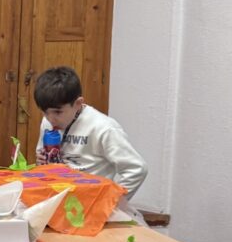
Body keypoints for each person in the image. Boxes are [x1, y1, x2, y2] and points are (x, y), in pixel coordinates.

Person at [33, 66, 147, 197]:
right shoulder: (47, 121)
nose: (51, 119)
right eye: (44, 112)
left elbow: (137, 169)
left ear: (78, 103)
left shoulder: (104, 128)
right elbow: (42, 160)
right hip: (56, 195)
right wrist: (41, 162)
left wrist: (112, 202)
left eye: (58, 112)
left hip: (90, 201)